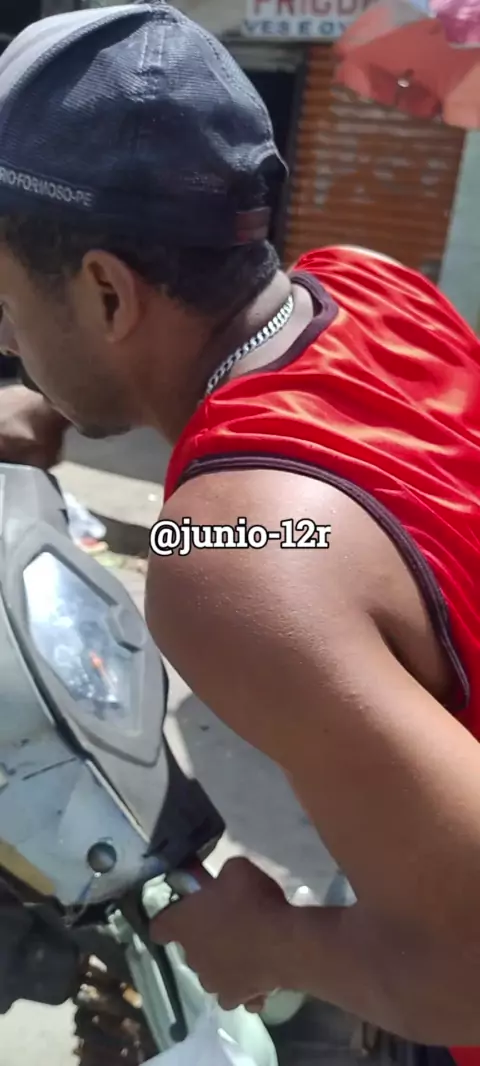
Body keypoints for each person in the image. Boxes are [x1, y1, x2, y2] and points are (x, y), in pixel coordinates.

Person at [0, 4, 479, 1062]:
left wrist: (270, 943)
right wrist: (61, 400)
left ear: (108, 291)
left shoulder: (230, 561)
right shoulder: (369, 285)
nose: (7, 339)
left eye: (7, 305)